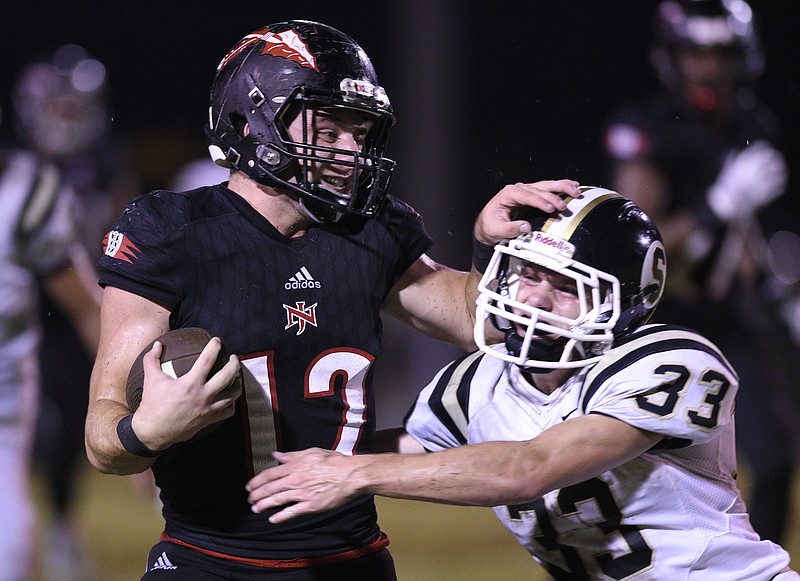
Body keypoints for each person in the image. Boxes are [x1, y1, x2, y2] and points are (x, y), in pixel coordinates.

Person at [84, 20, 579, 580]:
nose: (352, 150)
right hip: (207, 561)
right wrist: (149, 430)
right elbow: (103, 439)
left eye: (361, 132)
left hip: (351, 560)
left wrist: (487, 249)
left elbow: (474, 320)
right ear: (253, 123)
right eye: (330, 130)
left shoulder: (371, 228)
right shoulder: (170, 232)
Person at [246, 186, 799, 580]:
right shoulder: (478, 382)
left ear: (620, 302)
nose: (532, 299)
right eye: (528, 274)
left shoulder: (670, 361)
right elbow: (401, 449)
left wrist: (353, 472)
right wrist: (284, 453)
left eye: (563, 285)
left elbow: (529, 469)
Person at [601, 0, 800, 544]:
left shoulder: (753, 123)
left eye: (722, 53)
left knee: (777, 461)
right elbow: (637, 244)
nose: (709, 67)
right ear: (673, 57)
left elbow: (749, 238)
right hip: (665, 321)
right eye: (696, 52)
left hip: (734, 321)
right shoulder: (645, 126)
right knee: (652, 472)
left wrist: (781, 293)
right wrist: (716, 205)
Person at [10, 43, 139, 579]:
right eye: (59, 106)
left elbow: (123, 228)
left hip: (68, 301)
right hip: (21, 308)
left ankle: (61, 524)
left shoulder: (104, 162)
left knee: (68, 421)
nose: (68, 117)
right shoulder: (16, 167)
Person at [0, 120, 101, 579]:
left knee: (9, 541)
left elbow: (86, 309)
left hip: (2, 402)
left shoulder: (25, 191)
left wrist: (129, 396)